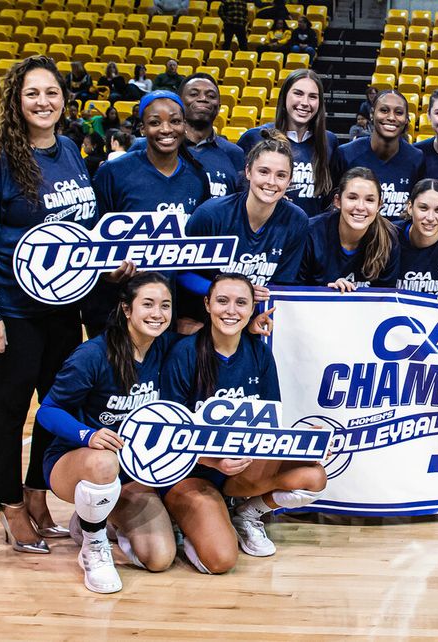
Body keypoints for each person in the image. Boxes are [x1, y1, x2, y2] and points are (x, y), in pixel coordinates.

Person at [0, 56, 98, 555]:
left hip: (63, 308)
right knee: (9, 409)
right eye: (32, 94)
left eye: (51, 93)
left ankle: (36, 494)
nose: (44, 102)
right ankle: (7, 503)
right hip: (13, 311)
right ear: (16, 102)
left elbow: (82, 226)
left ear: (64, 99)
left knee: (57, 407)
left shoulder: (69, 149)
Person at [164, 274, 326, 562]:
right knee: (220, 561)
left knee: (314, 475)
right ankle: (184, 519)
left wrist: (307, 440)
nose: (231, 310)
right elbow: (169, 434)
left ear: (252, 309)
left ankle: (246, 513)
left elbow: (269, 426)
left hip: (241, 469)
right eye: (222, 301)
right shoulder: (184, 353)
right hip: (193, 472)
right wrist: (213, 461)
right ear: (207, 304)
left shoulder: (259, 353)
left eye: (241, 303)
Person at [36, 273, 180, 593]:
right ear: (127, 309)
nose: (157, 313)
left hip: (132, 472)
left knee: (159, 558)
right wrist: (88, 435)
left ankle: (91, 518)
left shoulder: (168, 348)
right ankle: (93, 544)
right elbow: (47, 411)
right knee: (104, 462)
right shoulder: (93, 354)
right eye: (148, 304)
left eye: (165, 306)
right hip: (76, 463)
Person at [88, 90, 210, 336]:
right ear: (142, 128)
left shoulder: (196, 177)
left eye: (175, 121)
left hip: (168, 309)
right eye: (155, 122)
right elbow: (91, 239)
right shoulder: (114, 173)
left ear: (184, 125)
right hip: (117, 308)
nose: (166, 129)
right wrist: (108, 273)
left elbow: (196, 249)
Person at [184, 130, 309, 298]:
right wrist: (226, 291)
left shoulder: (296, 220)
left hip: (260, 315)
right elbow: (182, 273)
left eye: (281, 175)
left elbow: (283, 283)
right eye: (263, 172)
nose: (271, 182)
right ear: (248, 172)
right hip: (207, 313)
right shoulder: (211, 215)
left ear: (290, 180)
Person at [238, 69, 338, 216]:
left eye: (313, 97)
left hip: (311, 235)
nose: (305, 103)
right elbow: (238, 191)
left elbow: (329, 197)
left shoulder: (329, 141)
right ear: (284, 97)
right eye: (298, 93)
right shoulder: (256, 137)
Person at [131, 74, 243, 199]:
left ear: (219, 108)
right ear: (179, 105)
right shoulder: (144, 146)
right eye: (194, 94)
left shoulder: (234, 154)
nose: (203, 99)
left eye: (211, 96)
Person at [300, 167, 400, 290]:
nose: (360, 207)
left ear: (379, 205)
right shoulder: (311, 233)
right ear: (338, 201)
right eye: (352, 198)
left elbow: (385, 298)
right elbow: (293, 294)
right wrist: (327, 292)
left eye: (369, 200)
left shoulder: (389, 238)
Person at [331, 90, 423, 223]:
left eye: (399, 112)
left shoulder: (417, 158)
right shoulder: (346, 154)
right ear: (372, 114)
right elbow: (332, 205)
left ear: (407, 119)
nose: (391, 117)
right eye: (384, 110)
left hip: (398, 241)